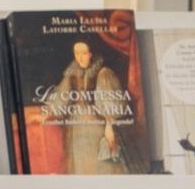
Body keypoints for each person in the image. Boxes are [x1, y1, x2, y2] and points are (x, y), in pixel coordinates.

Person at [56, 38, 135, 175]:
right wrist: (46, 114)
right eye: (76, 53)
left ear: (91, 54)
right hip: (77, 127)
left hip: (97, 125)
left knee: (102, 164)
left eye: (84, 53)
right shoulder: (71, 74)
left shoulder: (103, 73)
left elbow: (112, 106)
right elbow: (60, 99)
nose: (80, 57)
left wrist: (109, 127)